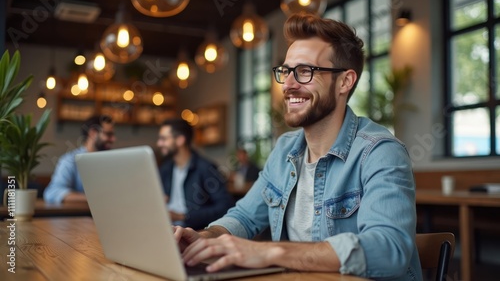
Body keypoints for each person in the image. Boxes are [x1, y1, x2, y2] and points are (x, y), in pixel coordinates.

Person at [174, 14, 422, 280]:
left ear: (344, 82)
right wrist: (206, 237)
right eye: (286, 71)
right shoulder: (285, 149)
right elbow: (245, 216)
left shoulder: (380, 151)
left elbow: (389, 250)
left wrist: (271, 253)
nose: (289, 85)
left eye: (305, 71)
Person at [157, 118, 234, 230]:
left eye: (163, 139)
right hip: (165, 227)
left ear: (180, 140)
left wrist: (183, 216)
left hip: (191, 231)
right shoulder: (166, 168)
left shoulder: (205, 168)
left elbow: (224, 207)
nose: (159, 143)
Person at [44, 114, 116, 204]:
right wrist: (94, 199)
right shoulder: (70, 160)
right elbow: (53, 192)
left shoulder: (113, 162)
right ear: (93, 133)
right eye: (109, 134)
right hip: (81, 216)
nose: (113, 139)